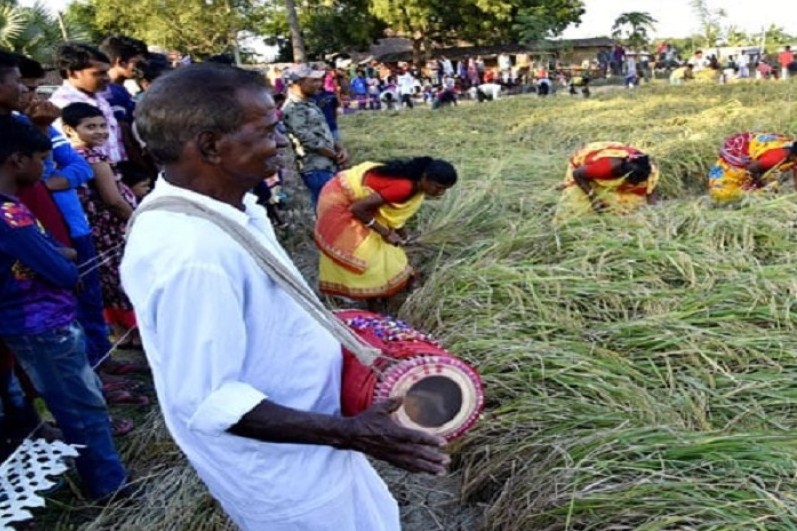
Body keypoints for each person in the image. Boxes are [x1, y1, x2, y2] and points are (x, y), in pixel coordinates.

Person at [121, 64, 449, 531]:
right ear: (212, 145)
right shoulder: (191, 253)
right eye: (267, 131)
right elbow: (208, 400)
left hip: (317, 442)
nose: (279, 142)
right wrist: (349, 433)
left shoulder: (233, 207)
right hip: (284, 474)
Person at [0, 117, 128, 500]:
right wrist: (65, 260)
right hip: (43, 323)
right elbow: (57, 269)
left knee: (75, 401)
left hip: (33, 320)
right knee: (80, 405)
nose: (46, 168)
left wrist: (56, 255)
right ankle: (108, 483)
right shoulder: (10, 215)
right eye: (43, 158)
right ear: (17, 160)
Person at [314, 157, 457, 310]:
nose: (440, 193)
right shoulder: (404, 187)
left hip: (360, 205)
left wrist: (403, 236)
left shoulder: (415, 185)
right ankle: (365, 298)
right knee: (364, 254)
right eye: (438, 187)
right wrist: (386, 233)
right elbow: (357, 209)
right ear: (424, 178)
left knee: (387, 251)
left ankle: (379, 295)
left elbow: (393, 216)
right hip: (341, 202)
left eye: (445, 189)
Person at [61, 103, 144, 355]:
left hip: (95, 227)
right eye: (90, 127)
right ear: (69, 130)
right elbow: (113, 199)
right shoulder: (95, 158)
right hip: (110, 228)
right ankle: (135, 333)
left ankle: (121, 332)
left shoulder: (72, 156)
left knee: (108, 280)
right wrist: (135, 220)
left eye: (102, 126)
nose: (99, 132)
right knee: (121, 278)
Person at [282, 64, 349, 207]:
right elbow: (310, 141)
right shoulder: (292, 108)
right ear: (298, 83)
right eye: (313, 81)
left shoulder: (310, 103)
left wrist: (339, 148)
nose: (319, 84)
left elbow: (324, 131)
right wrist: (335, 156)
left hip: (328, 163)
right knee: (326, 210)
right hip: (315, 167)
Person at [50, 42, 125, 164]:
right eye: (99, 73)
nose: (107, 78)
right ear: (72, 73)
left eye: (106, 72)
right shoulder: (62, 105)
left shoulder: (99, 98)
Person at [554, 142, 660, 224]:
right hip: (587, 162)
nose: (637, 183)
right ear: (622, 174)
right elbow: (577, 174)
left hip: (619, 157)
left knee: (629, 202)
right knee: (578, 203)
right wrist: (594, 198)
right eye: (634, 181)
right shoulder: (604, 168)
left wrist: (653, 214)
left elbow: (651, 187)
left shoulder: (644, 167)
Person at [708, 132, 797, 204]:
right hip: (739, 158)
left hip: (758, 158)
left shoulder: (792, 153)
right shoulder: (776, 157)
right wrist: (760, 184)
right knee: (723, 196)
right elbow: (751, 168)